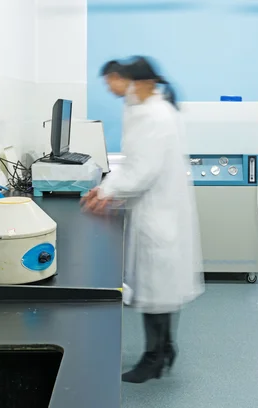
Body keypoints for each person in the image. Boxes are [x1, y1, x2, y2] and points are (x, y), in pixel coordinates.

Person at [81, 56, 204, 383]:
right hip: (155, 210)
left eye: (112, 80)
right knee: (159, 289)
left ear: (135, 81)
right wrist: (106, 189)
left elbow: (141, 171)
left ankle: (154, 359)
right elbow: (136, 163)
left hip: (157, 214)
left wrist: (105, 192)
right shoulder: (144, 108)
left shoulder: (154, 115)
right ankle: (164, 349)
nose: (109, 87)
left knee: (157, 289)